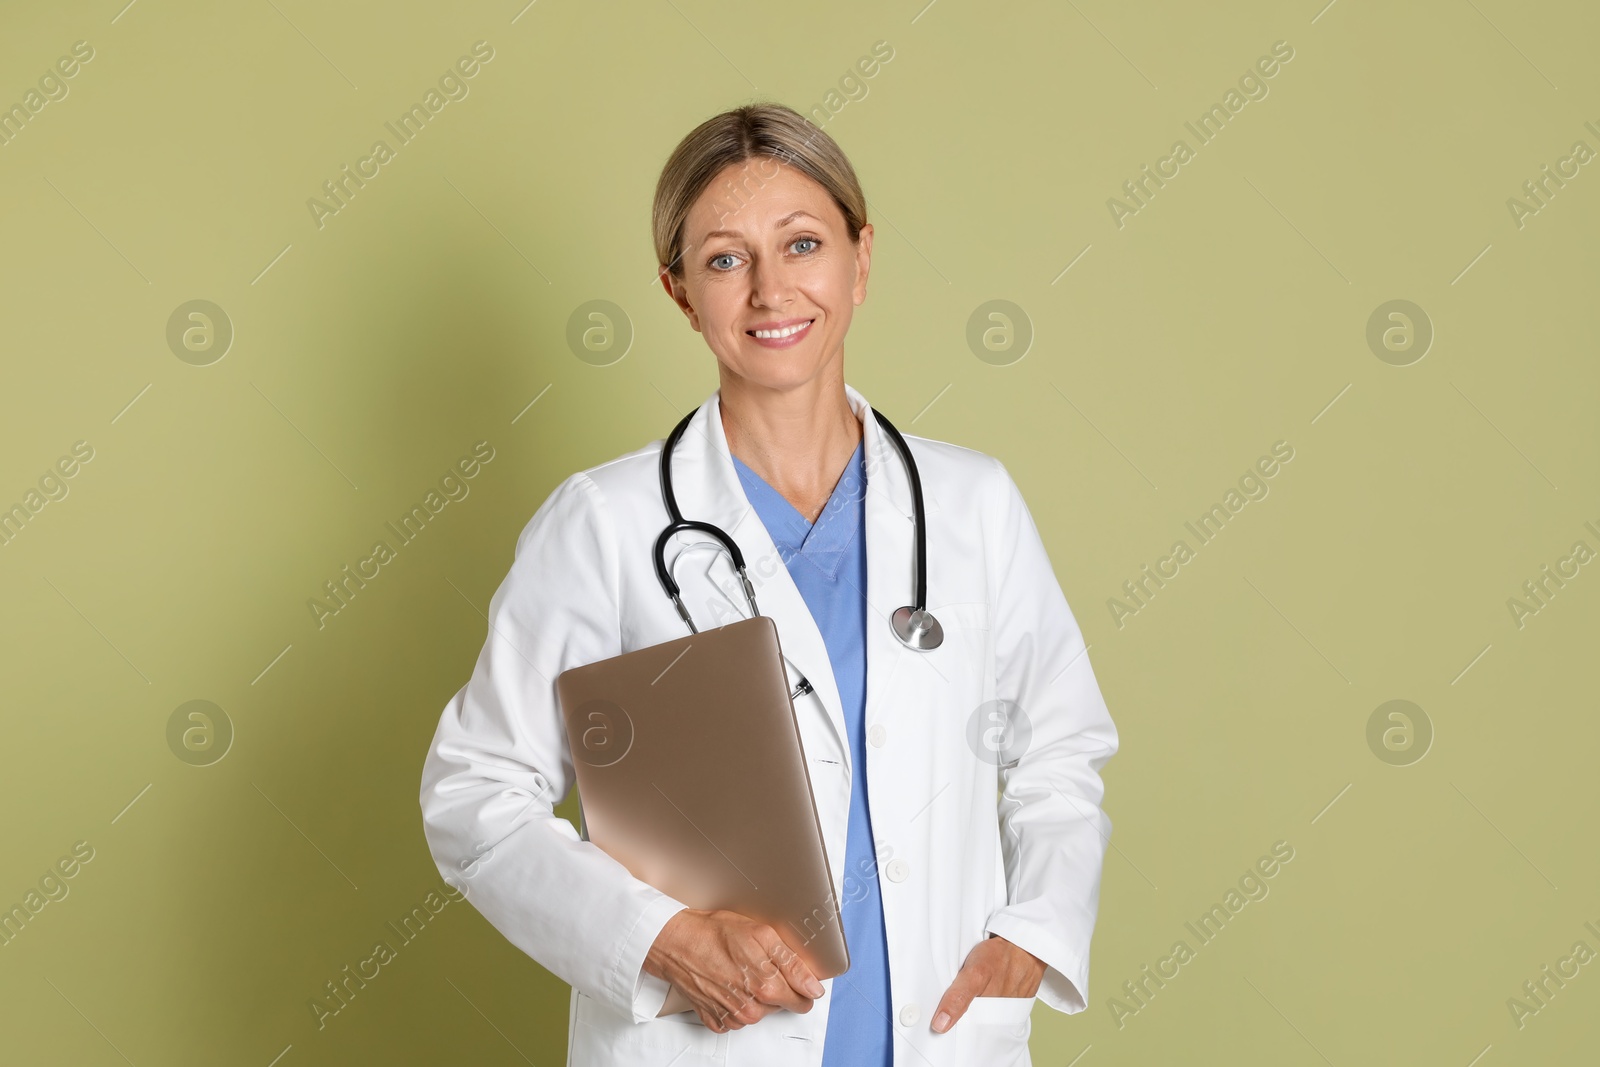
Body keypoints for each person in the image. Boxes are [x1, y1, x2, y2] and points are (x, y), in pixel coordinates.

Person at [419, 102, 1119, 1067]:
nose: (770, 289)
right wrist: (661, 940)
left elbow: (1060, 748)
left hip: (939, 1037)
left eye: (802, 244)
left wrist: (1033, 936)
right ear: (678, 291)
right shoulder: (606, 525)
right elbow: (474, 793)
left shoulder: (972, 505)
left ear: (860, 260)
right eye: (723, 259)